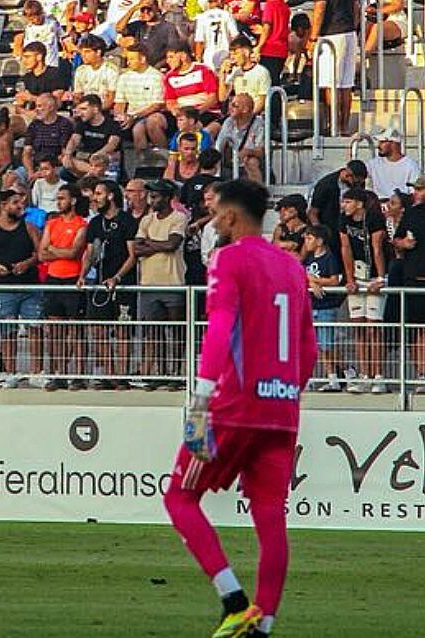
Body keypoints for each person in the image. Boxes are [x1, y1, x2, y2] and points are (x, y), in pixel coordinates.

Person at [164, 178, 313, 638]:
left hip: (232, 405)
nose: (213, 221)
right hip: (282, 409)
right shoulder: (292, 266)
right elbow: (308, 350)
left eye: (214, 213)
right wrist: (283, 392)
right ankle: (262, 626)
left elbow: (220, 325)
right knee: (270, 515)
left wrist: (202, 399)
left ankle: (232, 600)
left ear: (229, 216)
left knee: (180, 497)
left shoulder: (227, 258)